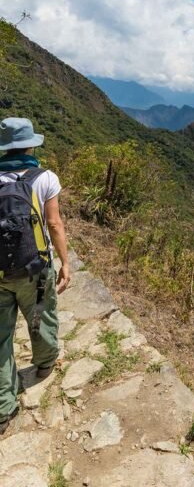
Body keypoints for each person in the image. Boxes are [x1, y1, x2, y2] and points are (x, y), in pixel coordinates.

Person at [0, 118, 70, 434]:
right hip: (36, 269)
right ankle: (44, 364)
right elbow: (54, 224)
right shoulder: (45, 178)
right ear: (31, 144)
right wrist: (65, 262)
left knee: (1, 337)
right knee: (40, 317)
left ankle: (4, 405)